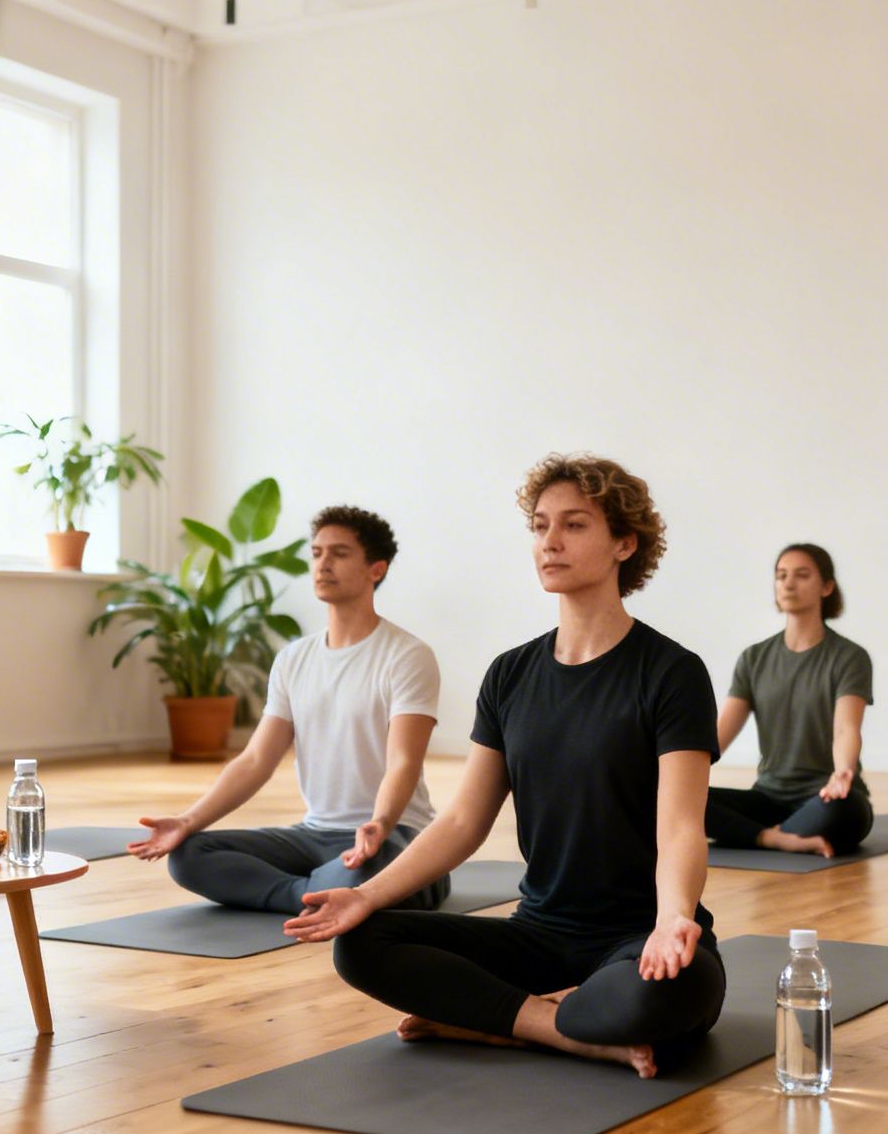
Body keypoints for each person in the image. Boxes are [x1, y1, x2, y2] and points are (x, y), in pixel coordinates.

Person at [285, 454, 727, 1079]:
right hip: (538, 936)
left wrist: (674, 919)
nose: (550, 541)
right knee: (361, 944)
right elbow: (463, 819)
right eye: (541, 525)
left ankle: (499, 1020)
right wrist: (366, 897)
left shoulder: (671, 672)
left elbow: (681, 824)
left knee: (668, 992)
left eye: (574, 525)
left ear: (624, 543)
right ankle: (556, 1029)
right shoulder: (510, 675)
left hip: (637, 937)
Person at [127, 506, 451, 914]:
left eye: (339, 553)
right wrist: (187, 821)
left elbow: (403, 761)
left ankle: (327, 891)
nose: (323, 564)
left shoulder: (407, 655)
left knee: (362, 872)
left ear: (376, 569)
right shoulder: (294, 659)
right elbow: (257, 759)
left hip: (392, 835)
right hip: (312, 835)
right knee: (190, 855)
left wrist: (381, 823)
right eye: (316, 553)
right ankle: (312, 896)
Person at [707, 543, 874, 857]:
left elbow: (846, 729)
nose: (788, 583)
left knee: (848, 809)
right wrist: (668, 771)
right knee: (664, 797)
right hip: (767, 800)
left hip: (825, 797)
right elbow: (718, 736)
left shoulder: (850, 657)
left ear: (826, 587)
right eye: (781, 575)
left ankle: (758, 835)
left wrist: (842, 772)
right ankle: (773, 838)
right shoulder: (753, 658)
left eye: (801, 575)